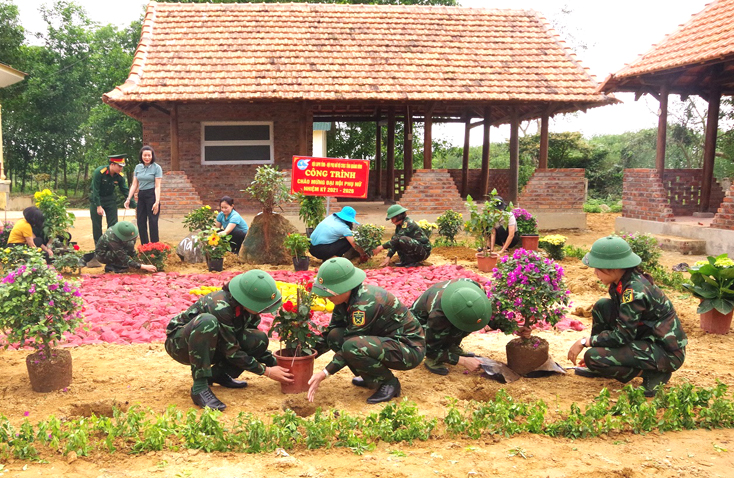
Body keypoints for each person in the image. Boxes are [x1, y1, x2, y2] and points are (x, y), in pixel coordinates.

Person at [567, 235, 687, 397]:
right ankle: (600, 364)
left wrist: (585, 342)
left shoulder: (635, 291)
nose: (595, 273)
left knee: (593, 357)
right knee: (603, 306)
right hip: (646, 339)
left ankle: (653, 373)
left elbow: (622, 336)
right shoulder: (621, 283)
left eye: (598, 268)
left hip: (666, 353)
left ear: (613, 268)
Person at [165, 270, 294, 410]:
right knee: (207, 322)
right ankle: (199, 387)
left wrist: (278, 364)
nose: (264, 309)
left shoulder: (248, 310)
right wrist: (267, 371)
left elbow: (239, 343)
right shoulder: (220, 306)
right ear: (248, 300)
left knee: (258, 339)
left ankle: (219, 375)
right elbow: (231, 351)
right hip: (181, 345)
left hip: (214, 344)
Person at [307, 257, 425, 404]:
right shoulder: (344, 300)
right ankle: (371, 377)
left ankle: (388, 383)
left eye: (331, 293)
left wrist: (324, 373)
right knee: (334, 336)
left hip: (409, 349)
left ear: (345, 287)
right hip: (387, 342)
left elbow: (350, 345)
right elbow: (331, 334)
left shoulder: (363, 304)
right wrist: (305, 355)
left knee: (352, 346)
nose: (327, 297)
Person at [411, 279, 493, 376]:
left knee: (471, 321)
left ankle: (451, 347)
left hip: (448, 314)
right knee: (435, 345)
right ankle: (433, 360)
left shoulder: (475, 290)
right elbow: (430, 349)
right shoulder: (438, 316)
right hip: (420, 326)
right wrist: (463, 361)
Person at [90, 154, 134, 245]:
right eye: (119, 166)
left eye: (122, 167)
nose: (121, 169)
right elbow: (95, 190)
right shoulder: (99, 172)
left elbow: (124, 190)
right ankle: (99, 247)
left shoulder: (119, 176)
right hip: (96, 200)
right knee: (97, 225)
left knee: (113, 225)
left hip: (110, 200)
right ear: (112, 164)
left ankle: (111, 245)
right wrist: (98, 206)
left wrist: (134, 204)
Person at [84, 221, 157, 274]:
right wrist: (142, 266)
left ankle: (123, 265)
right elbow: (122, 256)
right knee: (119, 255)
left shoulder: (128, 232)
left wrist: (140, 260)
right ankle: (113, 266)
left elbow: (131, 251)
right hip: (103, 255)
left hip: (118, 250)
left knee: (129, 245)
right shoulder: (111, 238)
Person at [124, 146, 163, 244]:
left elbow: (158, 186)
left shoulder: (157, 168)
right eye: (145, 155)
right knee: (140, 222)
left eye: (149, 155)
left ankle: (155, 247)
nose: (147, 157)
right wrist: (128, 198)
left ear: (152, 156)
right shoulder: (138, 167)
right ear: (141, 156)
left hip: (152, 195)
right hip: (141, 195)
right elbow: (134, 184)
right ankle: (144, 246)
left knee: (153, 222)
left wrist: (157, 202)